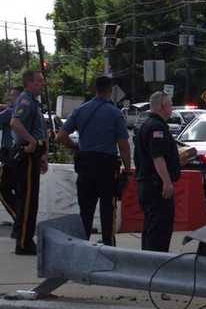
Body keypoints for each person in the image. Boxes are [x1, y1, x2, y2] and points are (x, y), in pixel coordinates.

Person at [56, 77, 131, 246]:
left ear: (95, 90)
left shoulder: (81, 110)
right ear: (110, 91)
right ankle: (108, 245)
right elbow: (124, 146)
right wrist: (127, 170)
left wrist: (76, 147)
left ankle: (83, 246)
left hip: (85, 165)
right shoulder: (114, 113)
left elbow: (60, 137)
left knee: (86, 211)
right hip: (106, 166)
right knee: (107, 210)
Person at [134, 91, 180, 252]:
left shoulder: (147, 124)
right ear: (162, 106)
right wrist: (166, 182)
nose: (172, 108)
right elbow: (157, 156)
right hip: (156, 186)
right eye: (170, 104)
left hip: (148, 185)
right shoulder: (156, 127)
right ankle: (155, 266)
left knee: (151, 228)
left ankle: (149, 264)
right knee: (159, 231)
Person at [10, 70, 48, 255]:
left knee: (30, 200)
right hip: (27, 154)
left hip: (34, 154)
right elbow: (15, 123)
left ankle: (25, 238)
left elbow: (39, 129)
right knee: (27, 200)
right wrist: (32, 141)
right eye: (39, 81)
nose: (43, 84)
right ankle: (24, 242)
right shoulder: (25, 100)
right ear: (29, 83)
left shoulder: (34, 102)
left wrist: (43, 154)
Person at [0, 86, 22, 237]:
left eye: (13, 96)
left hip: (9, 156)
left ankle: (19, 219)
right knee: (20, 191)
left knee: (3, 189)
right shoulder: (28, 110)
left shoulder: (11, 111)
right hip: (21, 156)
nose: (11, 98)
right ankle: (21, 221)